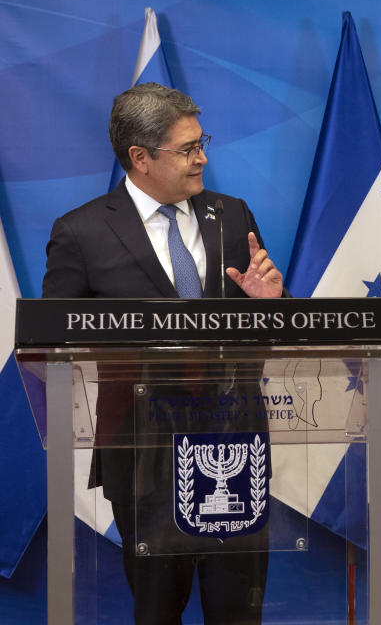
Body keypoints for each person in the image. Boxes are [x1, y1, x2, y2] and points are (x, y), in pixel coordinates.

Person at [42, 83, 283, 624]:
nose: (203, 158)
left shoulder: (233, 215)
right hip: (143, 449)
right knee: (157, 611)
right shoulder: (81, 233)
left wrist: (271, 305)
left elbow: (269, 337)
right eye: (188, 148)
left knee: (237, 612)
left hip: (232, 442)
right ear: (141, 158)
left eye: (202, 143)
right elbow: (54, 346)